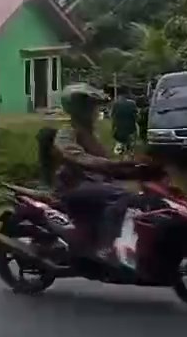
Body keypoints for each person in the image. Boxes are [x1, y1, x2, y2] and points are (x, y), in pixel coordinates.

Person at [53, 83, 139, 263]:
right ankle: (106, 248)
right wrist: (109, 165)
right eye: (90, 106)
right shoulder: (67, 132)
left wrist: (131, 168)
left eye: (94, 106)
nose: (94, 111)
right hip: (73, 185)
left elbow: (106, 161)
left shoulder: (91, 133)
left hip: (92, 183)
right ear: (79, 108)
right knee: (122, 196)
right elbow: (76, 156)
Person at [111, 92, 138, 157]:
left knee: (120, 141)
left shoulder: (116, 104)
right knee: (130, 141)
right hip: (130, 126)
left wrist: (113, 127)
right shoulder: (132, 104)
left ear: (119, 97)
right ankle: (130, 152)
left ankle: (120, 151)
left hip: (119, 127)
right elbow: (136, 116)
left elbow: (112, 116)